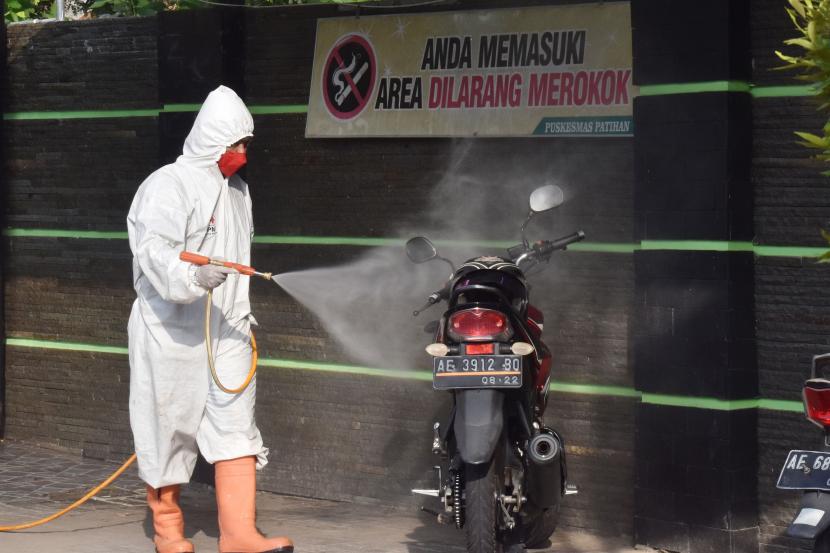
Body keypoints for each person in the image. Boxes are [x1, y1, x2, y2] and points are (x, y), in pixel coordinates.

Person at [126, 85, 293, 553]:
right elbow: (154, 250)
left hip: (230, 322)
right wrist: (193, 276)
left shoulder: (239, 192)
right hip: (172, 327)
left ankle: (239, 534)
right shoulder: (167, 185)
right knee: (168, 423)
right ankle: (168, 531)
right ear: (211, 140)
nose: (242, 154)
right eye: (234, 144)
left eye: (246, 145)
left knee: (236, 420)